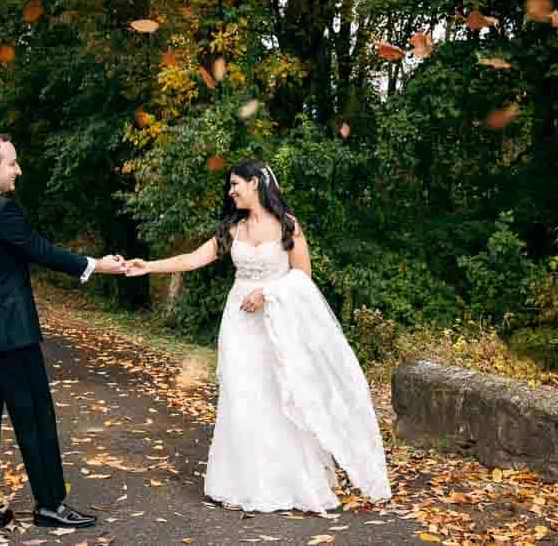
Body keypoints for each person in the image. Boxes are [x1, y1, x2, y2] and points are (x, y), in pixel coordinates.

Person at [125, 159, 391, 513]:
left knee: (278, 396)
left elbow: (303, 277)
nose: (231, 191)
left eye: (236, 183)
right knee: (241, 394)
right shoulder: (232, 228)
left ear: (255, 183)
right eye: (230, 186)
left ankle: (287, 482)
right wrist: (149, 265)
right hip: (238, 323)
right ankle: (240, 485)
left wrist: (267, 293)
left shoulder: (288, 227)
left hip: (276, 324)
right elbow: (192, 259)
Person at [0, 132, 128, 536]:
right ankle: (50, 505)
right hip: (10, 335)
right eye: (12, 163)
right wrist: (97, 265)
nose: (18, 170)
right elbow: (41, 251)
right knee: (36, 417)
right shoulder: (1, 211)